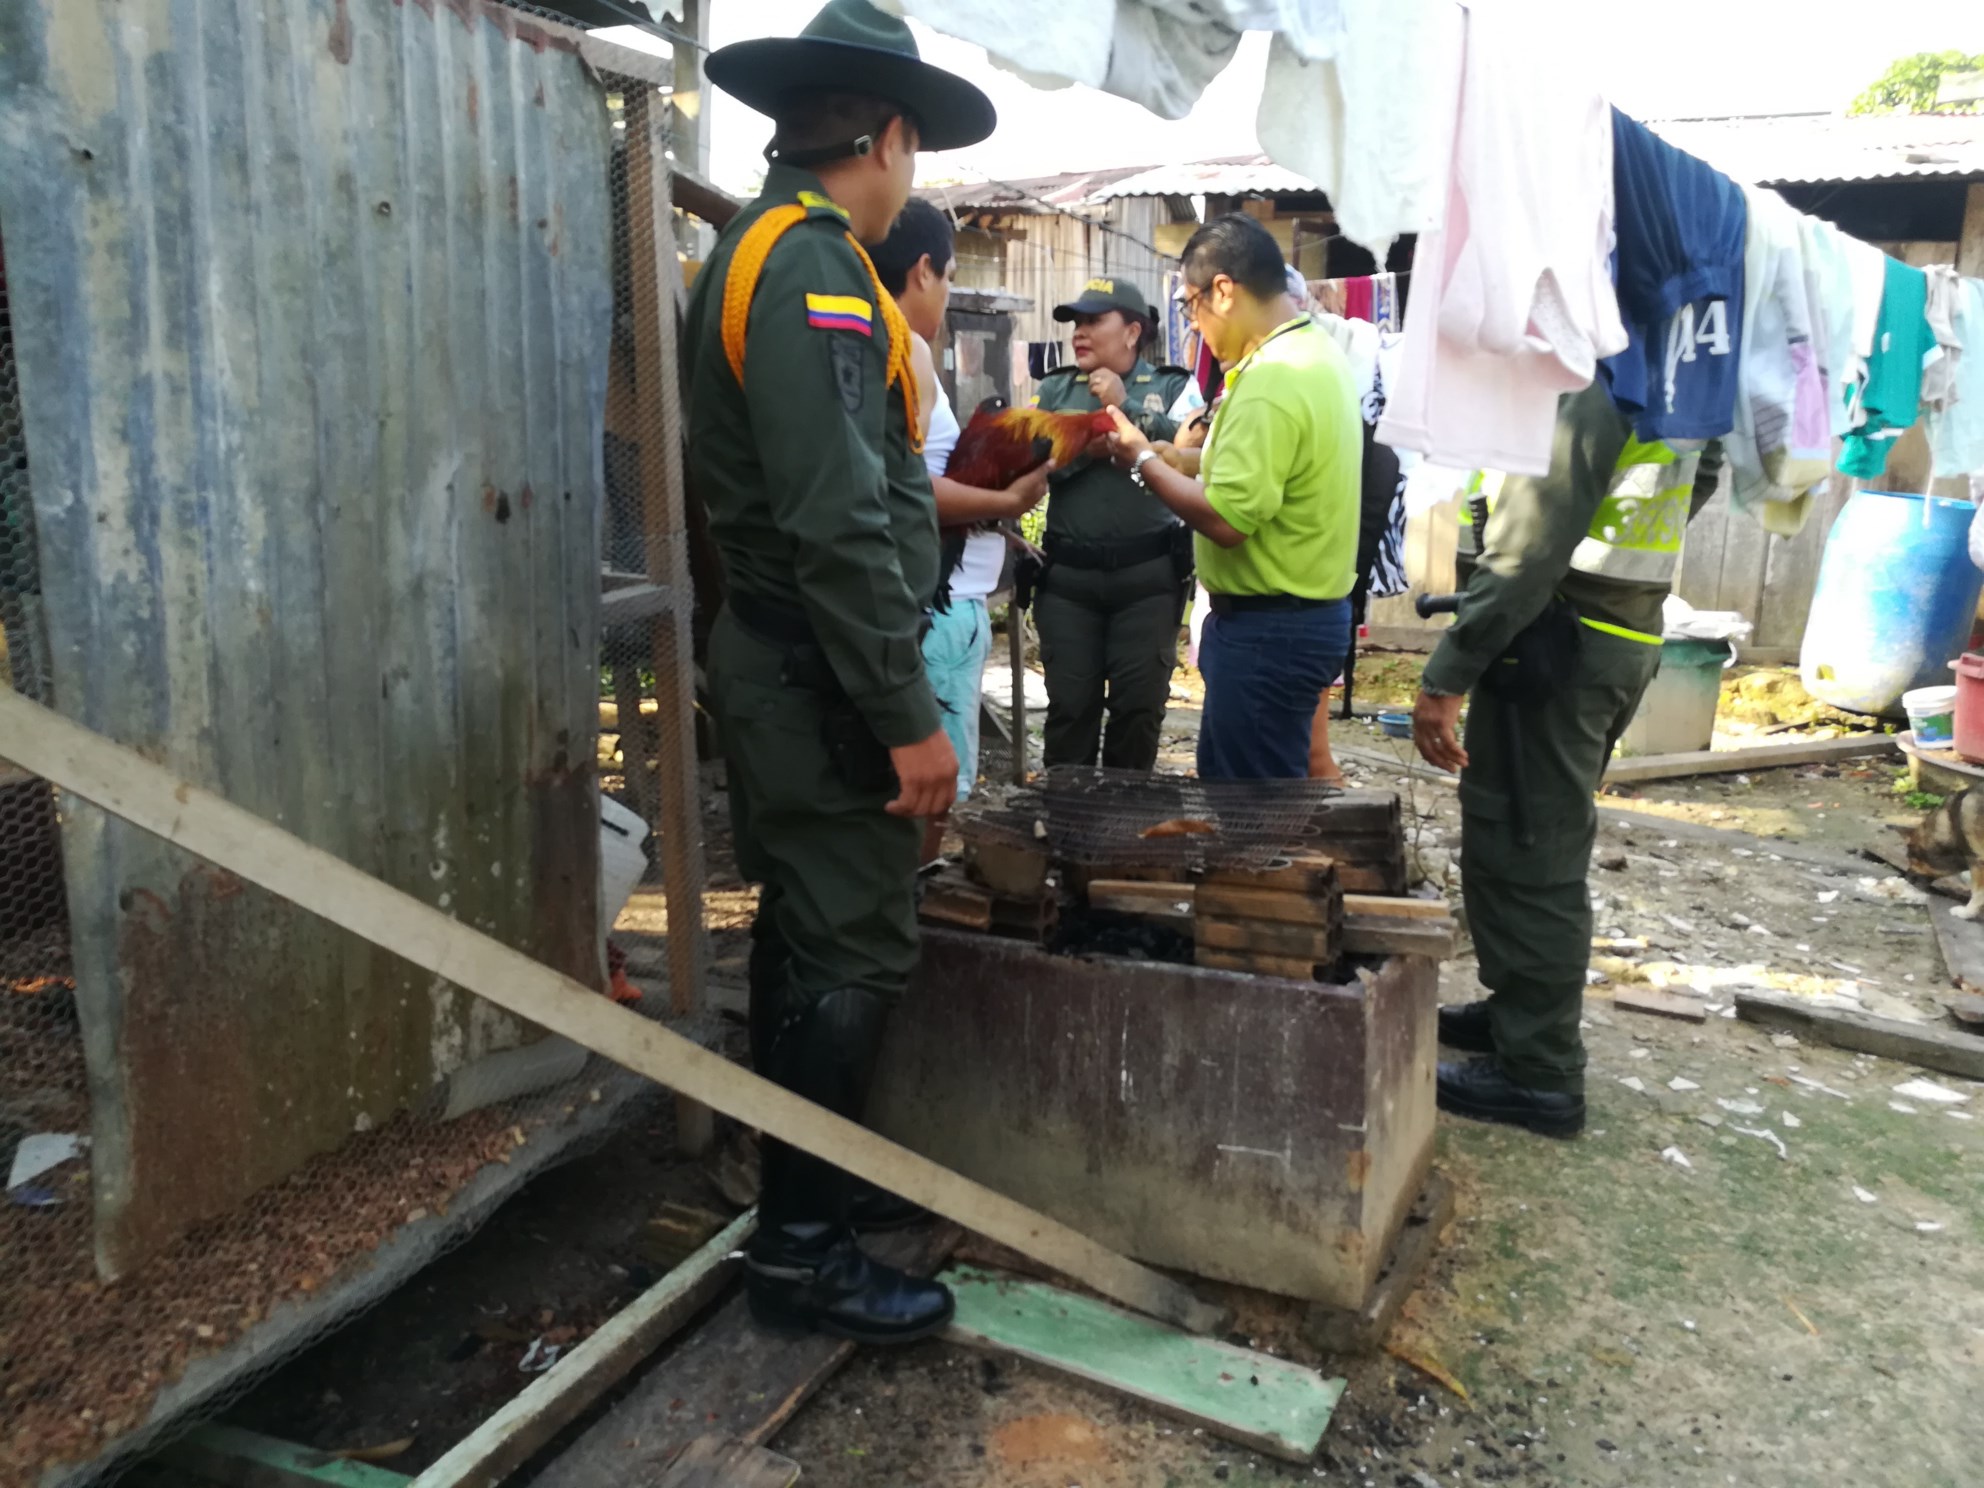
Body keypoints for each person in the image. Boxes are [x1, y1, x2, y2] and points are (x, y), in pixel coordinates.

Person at [687, 0, 995, 1343]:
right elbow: (840, 520)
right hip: (820, 681)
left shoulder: (754, 245)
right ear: (887, 136)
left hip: (787, 665)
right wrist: (907, 714)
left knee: (806, 936)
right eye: (914, 152)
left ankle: (797, 1198)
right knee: (857, 944)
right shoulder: (812, 267)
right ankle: (804, 1254)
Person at [1411, 383, 1724, 1138]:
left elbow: (1526, 551)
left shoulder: (1594, 374)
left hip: (1560, 640)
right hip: (1616, 632)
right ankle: (1517, 1016)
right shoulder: (1673, 361)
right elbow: (1706, 470)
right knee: (1533, 837)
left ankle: (1539, 1073)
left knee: (1528, 850)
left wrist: (1447, 673)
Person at [1105, 214, 1361, 781]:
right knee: (1251, 790)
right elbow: (1281, 471)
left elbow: (1226, 520)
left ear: (1223, 291)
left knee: (1253, 816)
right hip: (1298, 619)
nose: (1193, 327)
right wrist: (1185, 460)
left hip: (1270, 629)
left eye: (1189, 306)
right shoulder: (1314, 353)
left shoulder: (1272, 380)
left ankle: (1267, 873)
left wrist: (1143, 460)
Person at [867, 198, 1053, 862]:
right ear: (922, 272)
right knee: (931, 791)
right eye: (948, 277)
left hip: (931, 603)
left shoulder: (876, 341)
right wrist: (1008, 497)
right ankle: (911, 917)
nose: (945, 295)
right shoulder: (904, 348)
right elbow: (909, 491)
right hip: (936, 608)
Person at [1030, 278, 1195, 771]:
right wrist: (1088, 446)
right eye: (1075, 323)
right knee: (1069, 712)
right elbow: (1034, 460)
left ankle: (1125, 835)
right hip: (1069, 583)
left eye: (1093, 321)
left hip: (1147, 581)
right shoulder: (1056, 388)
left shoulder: (1172, 387)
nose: (1079, 333)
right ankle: (1067, 830)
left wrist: (1124, 410)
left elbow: (1187, 451)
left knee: (1138, 714)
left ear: (1131, 332)